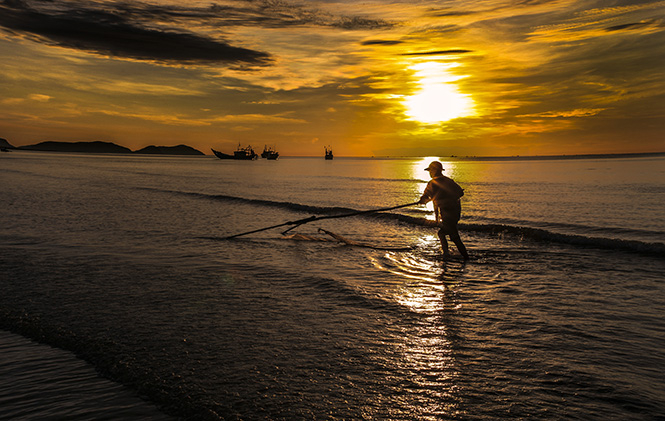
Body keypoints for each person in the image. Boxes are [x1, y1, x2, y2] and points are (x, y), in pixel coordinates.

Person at [418, 161, 470, 260]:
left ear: (434, 171)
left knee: (452, 236)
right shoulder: (449, 181)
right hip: (454, 213)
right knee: (445, 234)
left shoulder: (433, 183)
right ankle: (448, 254)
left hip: (448, 213)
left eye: (430, 170)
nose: (430, 173)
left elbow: (426, 196)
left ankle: (458, 256)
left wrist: (424, 200)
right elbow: (460, 193)